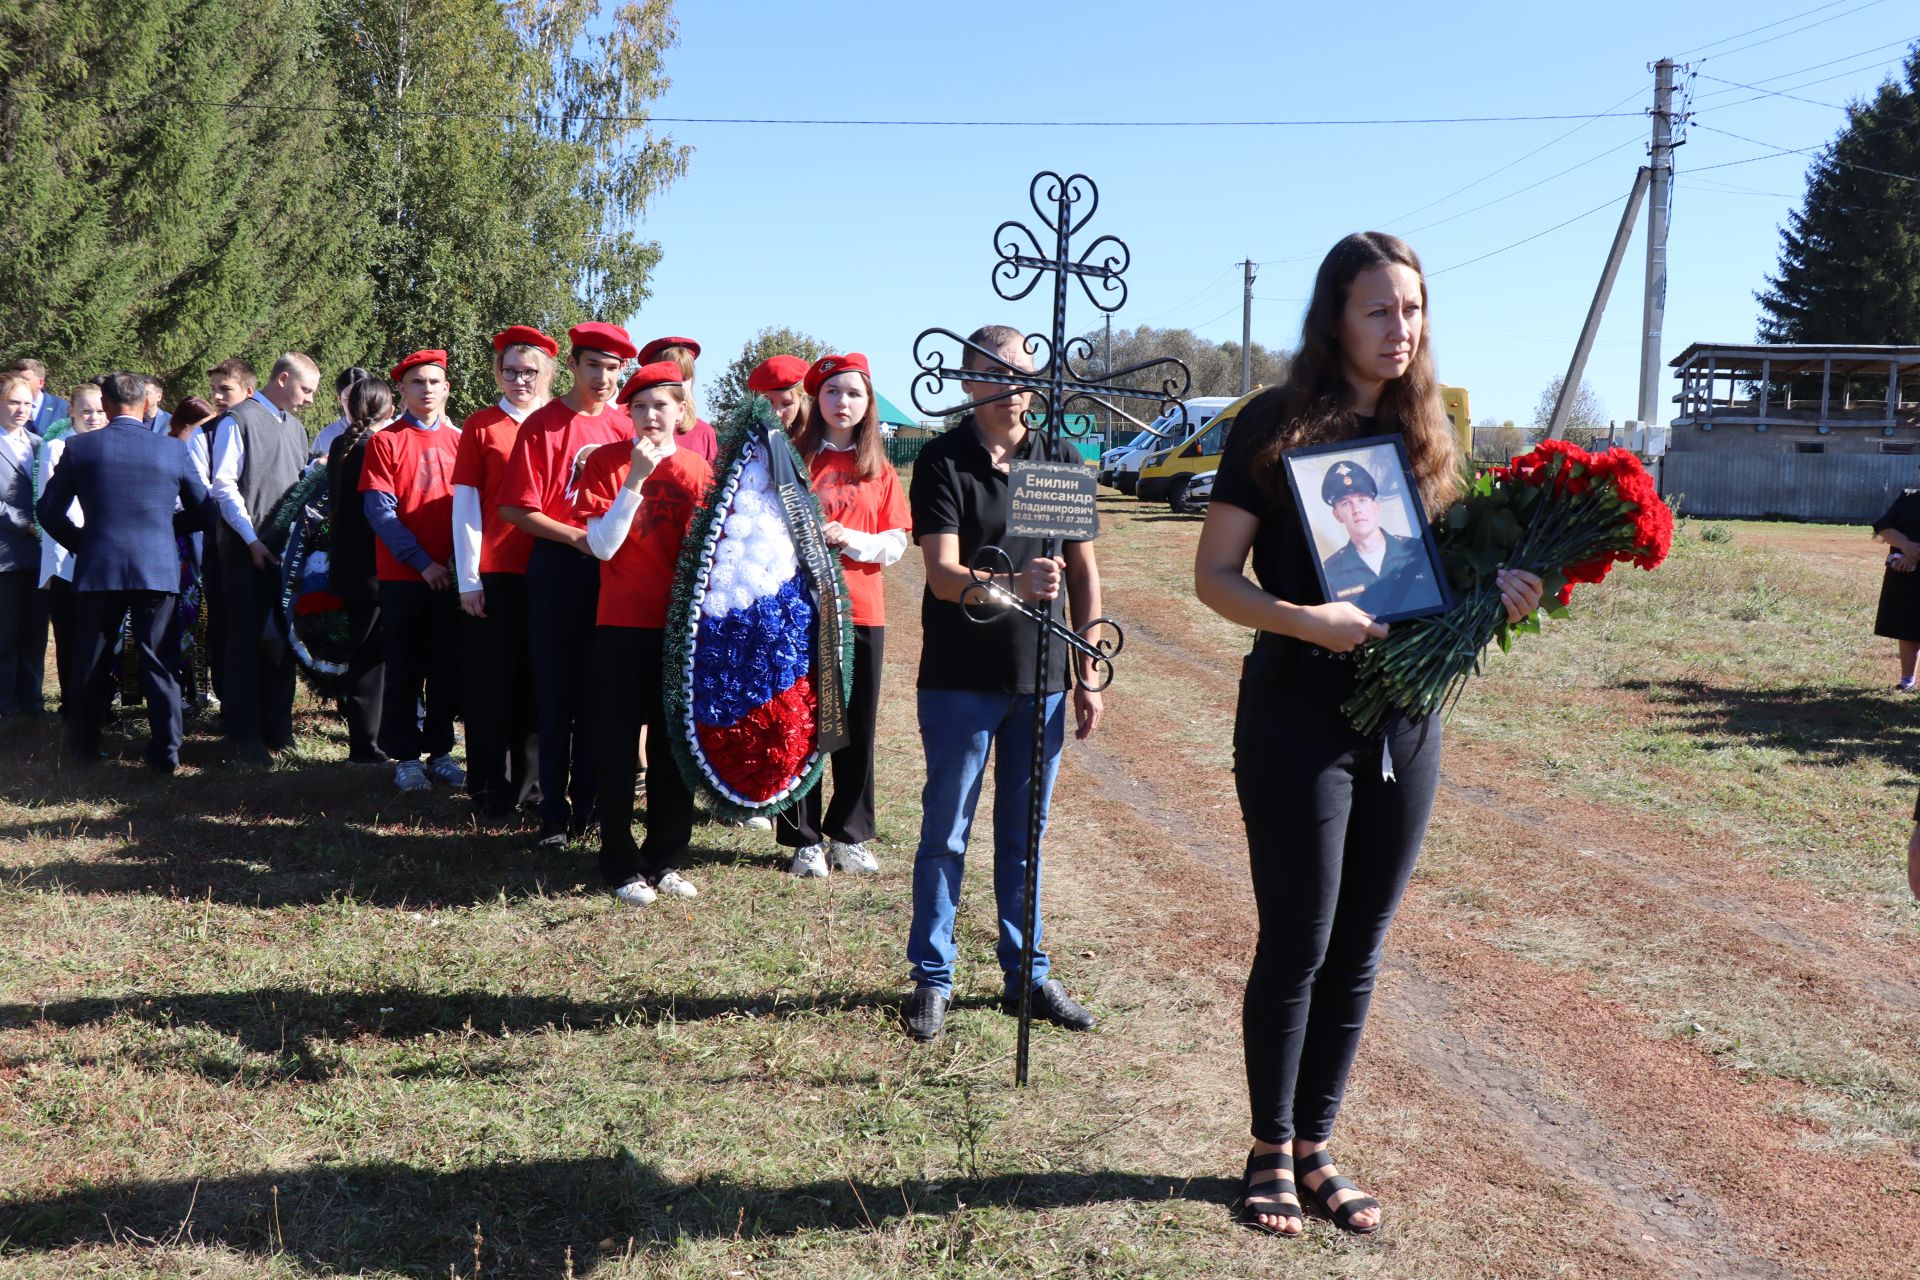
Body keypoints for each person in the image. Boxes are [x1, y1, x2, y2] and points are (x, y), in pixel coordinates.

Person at [1193, 232, 1544, 1238]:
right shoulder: (1274, 423)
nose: (1403, 328)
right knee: (1298, 940)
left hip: (1408, 722)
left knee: (1359, 948)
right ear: (1336, 318)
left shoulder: (1430, 431)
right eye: (1381, 309)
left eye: (1415, 309)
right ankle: (1265, 1150)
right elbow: (1214, 577)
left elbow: (1437, 591)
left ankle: (1316, 1146)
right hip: (1298, 709)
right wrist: (1308, 619)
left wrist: (1499, 600)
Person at [901, 324, 1104, 1043]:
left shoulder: (1056, 458)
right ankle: (932, 977)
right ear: (969, 382)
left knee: (1026, 837)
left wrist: (1086, 667)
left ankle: (1029, 973)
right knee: (947, 834)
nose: (1015, 384)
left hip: (1042, 678)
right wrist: (1014, 584)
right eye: (998, 372)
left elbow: (1082, 568)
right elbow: (943, 574)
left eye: (1024, 371)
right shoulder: (942, 461)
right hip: (961, 679)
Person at [575, 361, 713, 905]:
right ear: (626, 412)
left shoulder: (701, 470)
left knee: (673, 745)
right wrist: (634, 476)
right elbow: (603, 546)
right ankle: (619, 859)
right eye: (641, 406)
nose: (652, 415)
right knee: (614, 742)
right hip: (620, 624)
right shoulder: (606, 463)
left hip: (679, 631)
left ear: (681, 411)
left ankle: (666, 857)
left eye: (663, 405)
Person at [498, 322, 637, 848]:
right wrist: (578, 539)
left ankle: (594, 809)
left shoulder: (629, 425)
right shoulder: (544, 425)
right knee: (556, 693)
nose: (603, 378)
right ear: (575, 366)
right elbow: (516, 507)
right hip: (559, 568)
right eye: (594, 366)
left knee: (602, 696)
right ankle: (553, 814)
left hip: (615, 574)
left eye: (613, 368)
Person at [36, 371, 215, 771]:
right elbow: (206, 511)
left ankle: (84, 745)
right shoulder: (170, 451)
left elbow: (47, 510)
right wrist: (166, 529)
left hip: (100, 563)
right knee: (159, 659)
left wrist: (82, 542)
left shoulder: (79, 448)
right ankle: (166, 753)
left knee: (92, 657)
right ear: (146, 405)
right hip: (156, 564)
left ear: (108, 404)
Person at [777, 353, 909, 879]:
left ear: (868, 402)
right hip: (800, 611)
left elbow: (896, 545)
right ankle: (803, 838)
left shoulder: (878, 469)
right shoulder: (795, 461)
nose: (843, 402)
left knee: (856, 725)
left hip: (861, 613)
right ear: (817, 400)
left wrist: (849, 538)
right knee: (803, 721)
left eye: (853, 393)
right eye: (832, 392)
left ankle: (849, 835)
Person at [452, 326, 553, 822]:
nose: (519, 380)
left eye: (529, 372)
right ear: (498, 372)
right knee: (492, 682)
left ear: (546, 374)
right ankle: (489, 789)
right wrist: (469, 578)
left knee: (538, 683)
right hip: (495, 572)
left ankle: (532, 792)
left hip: (550, 572)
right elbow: (466, 505)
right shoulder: (481, 426)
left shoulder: (558, 423)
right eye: (510, 371)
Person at [359, 349, 465, 791]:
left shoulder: (462, 441)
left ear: (447, 389)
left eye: (434, 382)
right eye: (417, 382)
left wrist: (458, 567)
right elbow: (380, 512)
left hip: (454, 577)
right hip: (406, 578)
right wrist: (423, 563)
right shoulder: (385, 441)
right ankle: (405, 756)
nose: (426, 390)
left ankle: (440, 751)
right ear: (401, 389)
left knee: (446, 667)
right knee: (403, 668)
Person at [210, 352, 320, 760]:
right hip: (244, 552)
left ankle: (279, 729)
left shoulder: (296, 428)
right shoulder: (237, 420)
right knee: (244, 641)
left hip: (285, 555)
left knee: (282, 642)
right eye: (306, 389)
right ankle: (243, 734)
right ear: (284, 378)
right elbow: (223, 485)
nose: (309, 399)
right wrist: (251, 540)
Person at [326, 378, 395, 763]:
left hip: (349, 561)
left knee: (363, 652)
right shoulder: (376, 446)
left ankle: (366, 740)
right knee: (373, 657)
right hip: (375, 563)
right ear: (387, 409)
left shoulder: (342, 443)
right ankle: (369, 745)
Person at [36, 383, 109, 717]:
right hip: (69, 553)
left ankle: (100, 699)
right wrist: (77, 542)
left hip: (102, 552)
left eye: (99, 410)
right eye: (86, 411)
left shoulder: (109, 445)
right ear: (72, 412)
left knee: (99, 632)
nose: (93, 417)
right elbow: (51, 506)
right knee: (69, 633)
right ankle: (73, 702)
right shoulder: (56, 447)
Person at [1315, 460, 1441, 618]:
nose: (1356, 510)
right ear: (1337, 515)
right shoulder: (1331, 572)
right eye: (1346, 503)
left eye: (1362, 500)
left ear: (1375, 506)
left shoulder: (1416, 550)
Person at [0, 372, 49, 717]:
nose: (21, 409)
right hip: (5, 553)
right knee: (5, 632)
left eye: (27, 403)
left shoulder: (37, 442)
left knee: (34, 632)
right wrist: (25, 525)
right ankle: (4, 702)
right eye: (13, 402)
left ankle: (31, 699)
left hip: (39, 553)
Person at [1871, 472, 1920, 691]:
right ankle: (1907, 681)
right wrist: (1905, 546)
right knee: (1907, 626)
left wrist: (1914, 555)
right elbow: (1884, 526)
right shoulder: (1908, 497)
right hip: (1905, 571)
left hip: (1909, 563)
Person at [639, 336, 717, 462]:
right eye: (670, 378)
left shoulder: (703, 433)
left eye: (685, 378)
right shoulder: (630, 425)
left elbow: (711, 480)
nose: (679, 385)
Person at [310, 366, 375, 462]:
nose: (355, 403)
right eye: (348, 397)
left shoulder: (390, 429)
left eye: (361, 396)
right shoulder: (326, 436)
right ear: (339, 398)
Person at [747, 354, 811, 433]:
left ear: (801, 403)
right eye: (768, 403)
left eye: (786, 404)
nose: (777, 414)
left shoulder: (818, 444)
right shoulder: (739, 443)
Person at [9, 358, 69, 436]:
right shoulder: (4, 406)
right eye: (15, 380)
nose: (18, 384)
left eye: (25, 380)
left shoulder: (62, 408)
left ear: (41, 383)